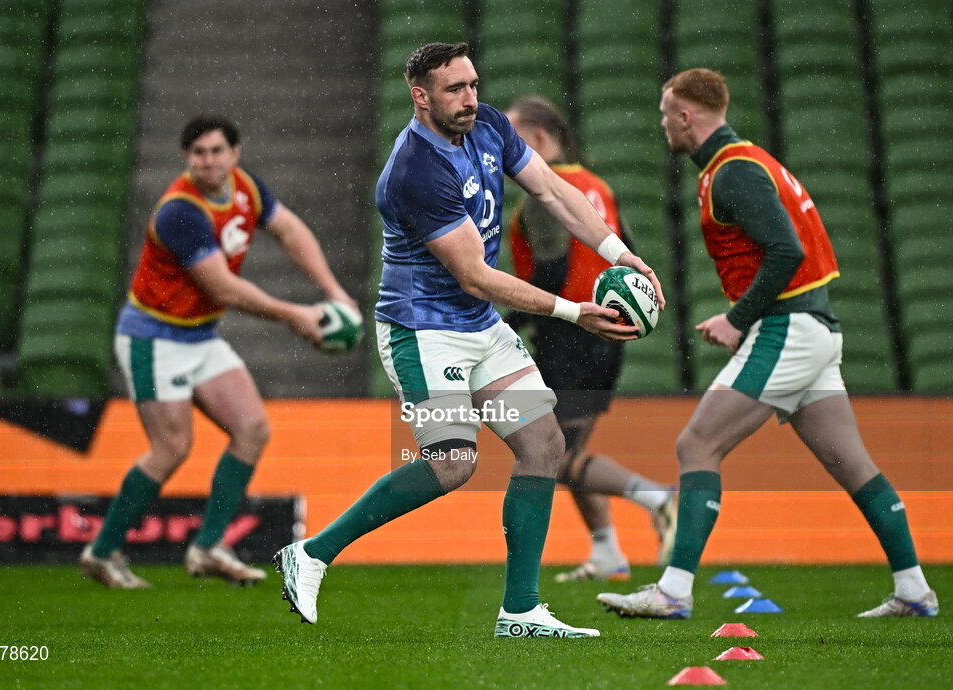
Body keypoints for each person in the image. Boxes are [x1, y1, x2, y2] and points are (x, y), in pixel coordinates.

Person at [273, 42, 664, 638]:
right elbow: (475, 275)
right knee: (453, 464)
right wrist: (570, 311)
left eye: (473, 84)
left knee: (543, 443)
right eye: (454, 89)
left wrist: (622, 255)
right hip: (423, 329)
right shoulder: (414, 169)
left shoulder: (490, 127)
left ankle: (521, 611)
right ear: (420, 95)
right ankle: (313, 553)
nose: (470, 99)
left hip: (479, 327)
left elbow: (556, 192)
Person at [598, 68, 937, 619]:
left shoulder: (733, 174)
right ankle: (914, 589)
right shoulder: (747, 161)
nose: (663, 126)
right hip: (817, 330)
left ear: (686, 116)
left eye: (666, 116)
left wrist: (737, 319)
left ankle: (673, 592)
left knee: (696, 445)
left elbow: (785, 253)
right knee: (853, 466)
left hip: (789, 329)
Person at [80, 114, 356, 588]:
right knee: (171, 449)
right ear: (187, 158)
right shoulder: (179, 211)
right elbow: (223, 287)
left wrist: (333, 292)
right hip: (154, 337)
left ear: (235, 153)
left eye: (215, 151)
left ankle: (207, 548)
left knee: (252, 428)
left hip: (199, 334)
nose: (207, 161)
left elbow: (290, 230)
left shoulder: (245, 186)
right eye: (198, 153)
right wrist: (297, 315)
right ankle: (101, 553)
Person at [504, 95, 677, 582]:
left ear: (538, 140)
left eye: (510, 139)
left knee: (552, 452)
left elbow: (553, 271)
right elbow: (628, 257)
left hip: (570, 333)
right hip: (604, 333)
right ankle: (605, 551)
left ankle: (655, 497)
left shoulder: (546, 192)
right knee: (561, 445)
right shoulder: (596, 186)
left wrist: (511, 321)